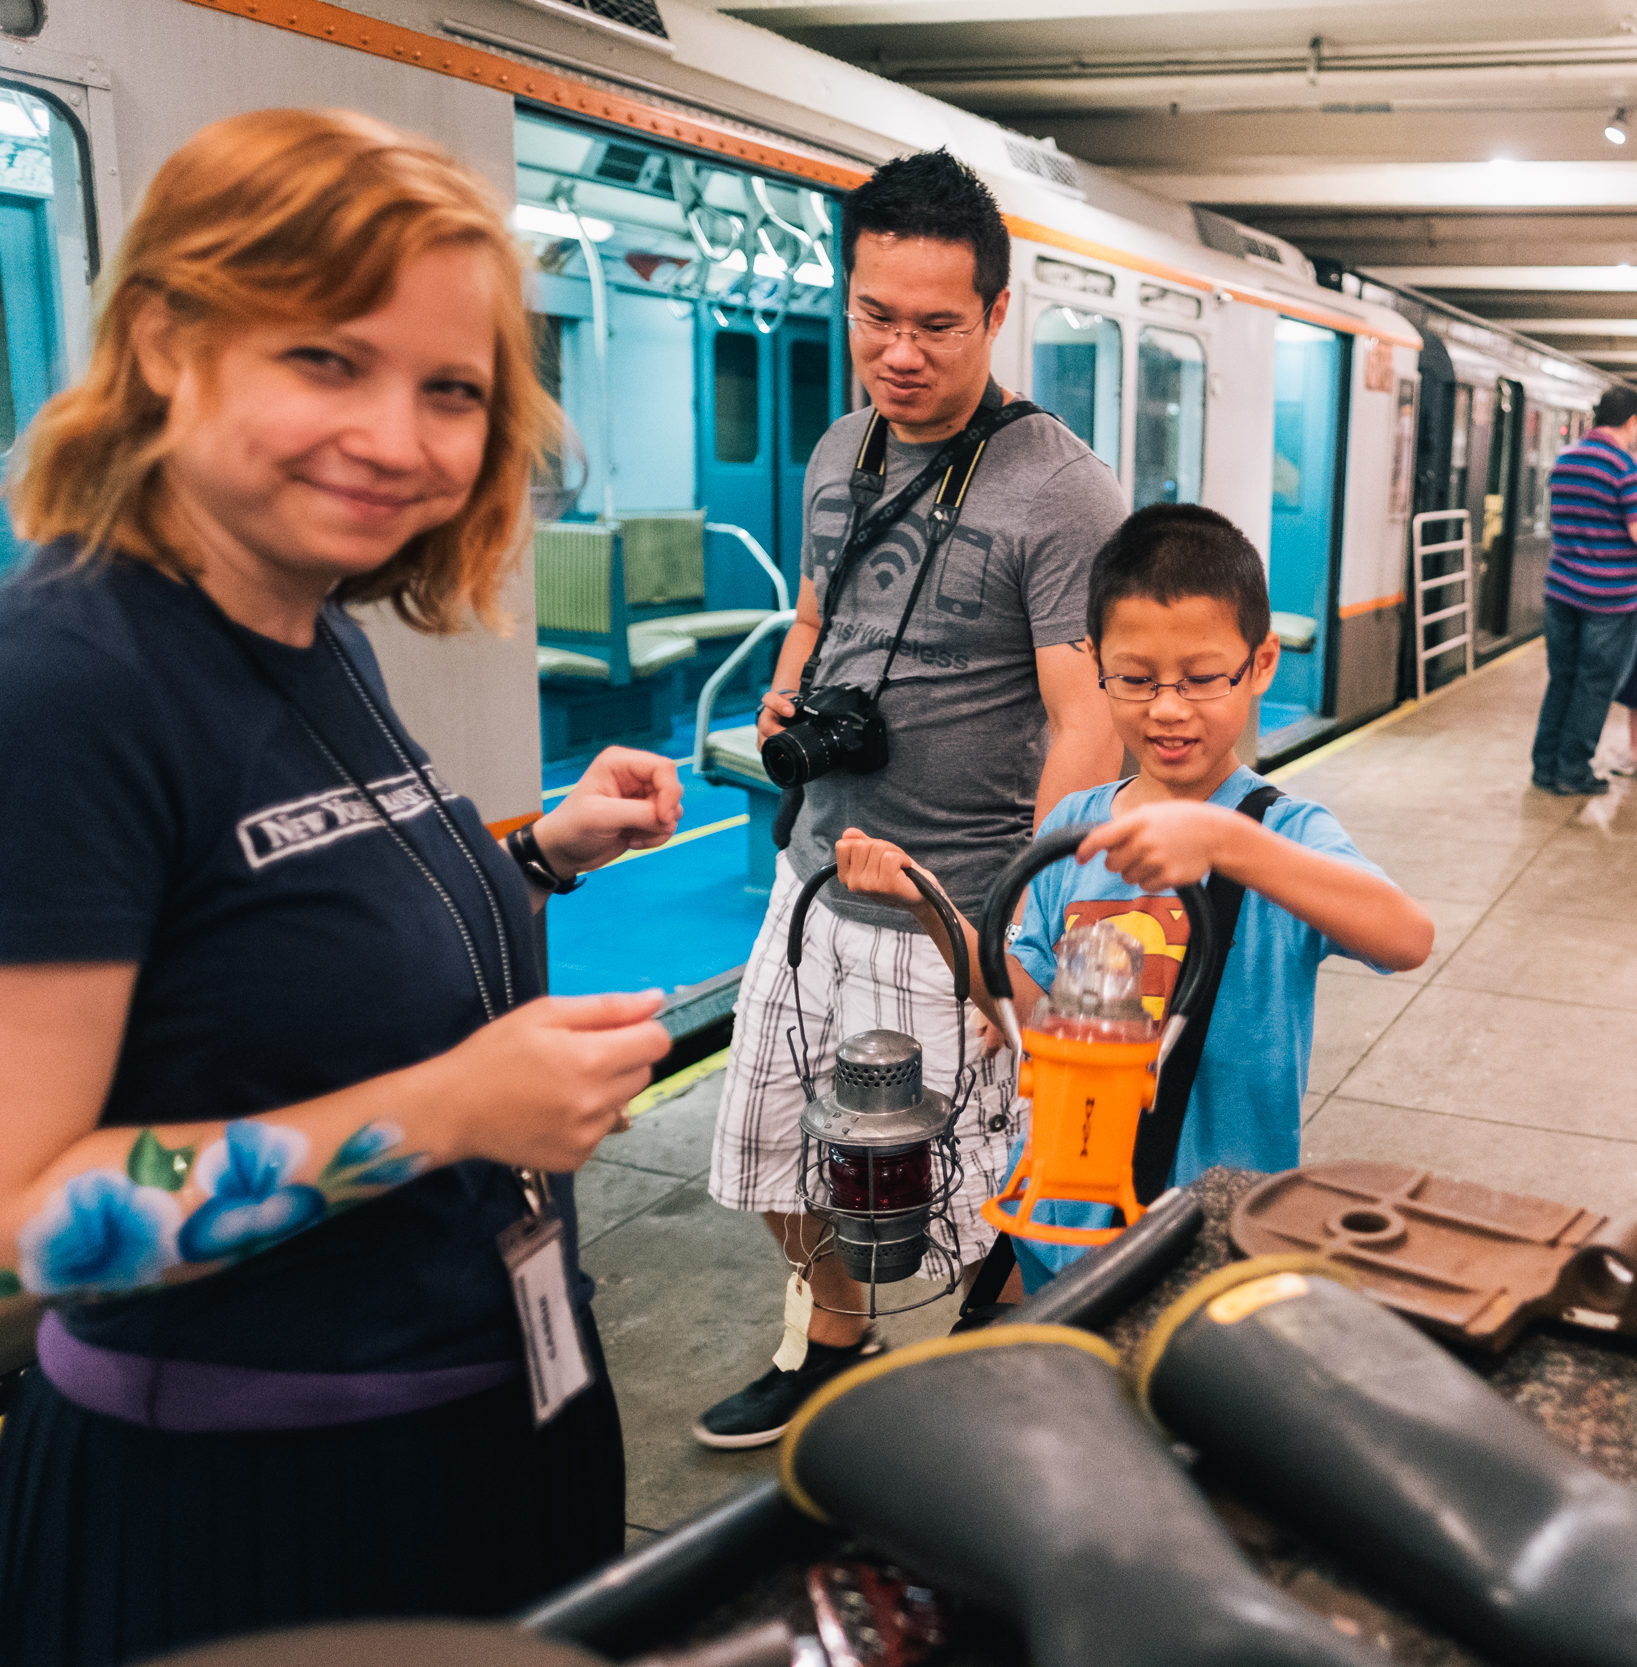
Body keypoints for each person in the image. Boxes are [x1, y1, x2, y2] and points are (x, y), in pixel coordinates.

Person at [0, 108, 681, 1666]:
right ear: (168, 339)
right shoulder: (65, 684)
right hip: (244, 1509)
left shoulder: (312, 625)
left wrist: (532, 855)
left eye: (452, 389)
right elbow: (29, 1215)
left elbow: (262, 944)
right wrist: (446, 1108)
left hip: (486, 1417)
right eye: (327, 358)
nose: (401, 437)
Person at [697, 147, 1127, 1450]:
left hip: (951, 906)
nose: (898, 351)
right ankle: (834, 1335)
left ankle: (965, 1406)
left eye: (935, 323)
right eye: (875, 314)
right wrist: (786, 688)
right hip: (816, 873)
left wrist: (1015, 929)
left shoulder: (1061, 487)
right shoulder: (842, 448)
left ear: (997, 315)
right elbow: (822, 607)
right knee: (771, 1149)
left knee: (961, 1200)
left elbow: (1085, 716)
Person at [833, 504, 1434, 1291]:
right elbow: (1030, 1019)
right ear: (1095, 664)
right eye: (1136, 679)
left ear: (1260, 665)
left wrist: (1227, 844)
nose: (1168, 708)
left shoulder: (1283, 834)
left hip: (1213, 1239)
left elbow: (1405, 937)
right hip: (1060, 1227)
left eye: (1201, 677)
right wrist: (934, 911)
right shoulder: (1074, 826)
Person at [1531, 387, 1637, 797]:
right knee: (1594, 686)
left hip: (1562, 592)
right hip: (1608, 599)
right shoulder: (1624, 468)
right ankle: (1572, 770)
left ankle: (1545, 767)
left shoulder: (1566, 459)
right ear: (1630, 421)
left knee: (1562, 680)